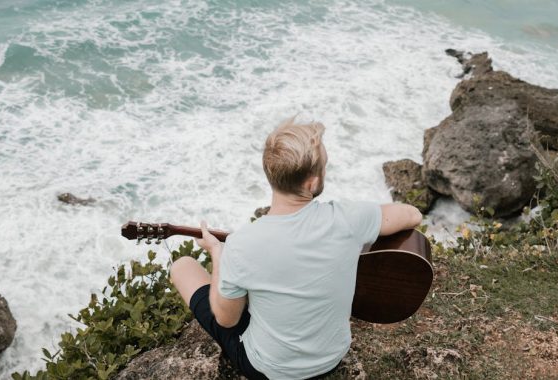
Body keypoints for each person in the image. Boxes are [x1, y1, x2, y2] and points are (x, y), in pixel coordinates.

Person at [170, 119, 423, 379]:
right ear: (312, 184)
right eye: (325, 165)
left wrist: (218, 254)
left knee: (183, 266)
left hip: (269, 370)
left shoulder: (242, 245)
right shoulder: (349, 218)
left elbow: (226, 320)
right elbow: (411, 215)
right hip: (332, 357)